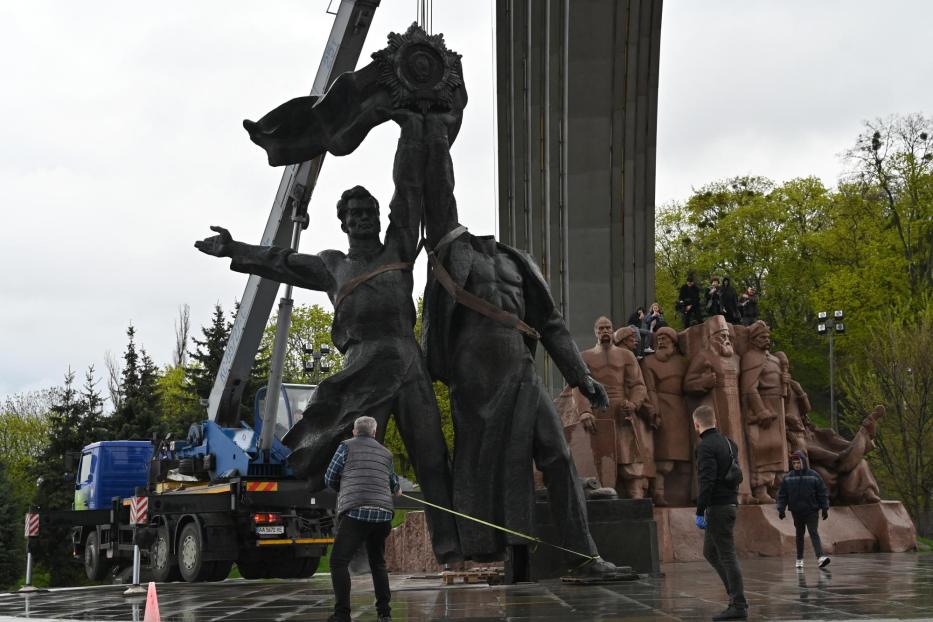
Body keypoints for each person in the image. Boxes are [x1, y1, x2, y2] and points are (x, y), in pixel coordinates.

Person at [195, 114, 460, 563]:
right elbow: (280, 261)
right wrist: (236, 249)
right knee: (345, 462)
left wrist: (411, 132)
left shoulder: (398, 248)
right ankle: (351, 549)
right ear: (343, 223)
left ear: (378, 218)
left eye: (368, 212)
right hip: (363, 368)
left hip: (407, 361)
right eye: (354, 214)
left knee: (433, 459)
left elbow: (408, 191)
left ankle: (452, 550)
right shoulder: (332, 265)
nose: (361, 219)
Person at [420, 113, 625, 578]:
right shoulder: (454, 253)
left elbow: (551, 325)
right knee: (484, 465)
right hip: (475, 383)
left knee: (557, 453)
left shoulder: (518, 262)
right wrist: (434, 130)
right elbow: (438, 191)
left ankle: (584, 556)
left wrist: (582, 378)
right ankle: (490, 552)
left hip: (519, 373)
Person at [325, 416, 399, 622]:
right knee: (378, 563)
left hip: (356, 512)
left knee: (338, 562)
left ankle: (342, 615)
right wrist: (396, 489)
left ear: (354, 432)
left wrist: (345, 486)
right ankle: (384, 614)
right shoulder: (386, 453)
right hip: (383, 514)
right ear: (374, 433)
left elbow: (329, 477)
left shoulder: (346, 447)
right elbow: (394, 484)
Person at [576, 318, 656, 499]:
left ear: (612, 331)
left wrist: (634, 403)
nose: (605, 331)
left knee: (631, 466)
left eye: (608, 328)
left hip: (622, 413)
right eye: (601, 328)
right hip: (597, 415)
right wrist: (584, 411)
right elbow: (578, 386)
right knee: (598, 464)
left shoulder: (626, 356)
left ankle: (637, 507)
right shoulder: (584, 357)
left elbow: (638, 385)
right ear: (595, 331)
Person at [693, 405, 748, 621]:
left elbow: (706, 481)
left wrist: (700, 510)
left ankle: (739, 604)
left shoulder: (705, 447)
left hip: (717, 507)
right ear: (714, 420)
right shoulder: (729, 443)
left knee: (726, 555)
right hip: (730, 504)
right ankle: (735, 596)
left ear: (697, 424)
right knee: (710, 552)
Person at [776, 450, 831, 571]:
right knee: (799, 535)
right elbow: (782, 495)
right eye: (794, 463)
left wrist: (825, 507)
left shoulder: (813, 475)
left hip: (811, 510)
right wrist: (781, 509)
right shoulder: (788, 478)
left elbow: (822, 492)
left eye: (798, 462)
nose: (796, 465)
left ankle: (820, 557)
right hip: (797, 511)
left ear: (803, 462)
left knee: (813, 532)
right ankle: (799, 559)